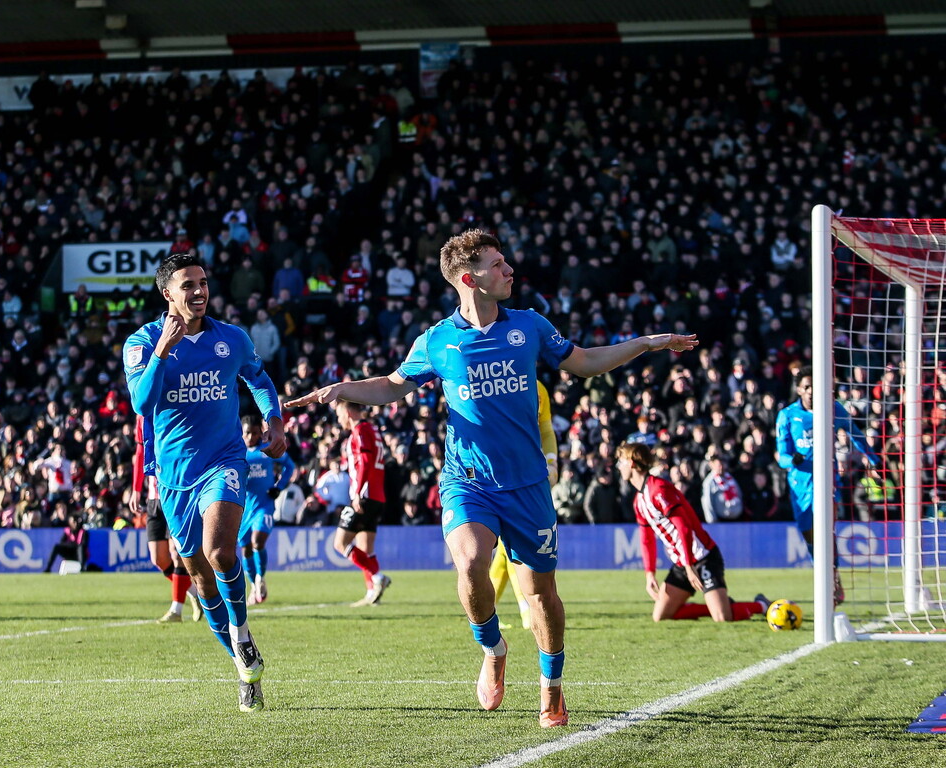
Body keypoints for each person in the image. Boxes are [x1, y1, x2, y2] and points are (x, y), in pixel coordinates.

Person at [286, 229, 697, 728]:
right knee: (472, 564)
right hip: (468, 481)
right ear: (468, 278)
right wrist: (340, 388)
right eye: (497, 264)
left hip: (527, 486)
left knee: (540, 593)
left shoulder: (530, 325)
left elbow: (584, 362)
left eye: (506, 262)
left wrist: (647, 344)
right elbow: (394, 386)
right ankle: (493, 647)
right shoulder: (438, 340)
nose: (509, 271)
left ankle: (552, 686)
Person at [123, 252, 286, 713]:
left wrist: (272, 420)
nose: (199, 291)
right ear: (166, 293)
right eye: (187, 285)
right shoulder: (141, 342)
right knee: (199, 579)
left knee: (220, 552)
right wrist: (163, 351)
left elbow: (258, 377)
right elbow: (142, 401)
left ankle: (240, 632)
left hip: (224, 460)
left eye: (202, 282)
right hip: (174, 477)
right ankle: (243, 663)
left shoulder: (230, 338)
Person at [615, 442, 768, 622]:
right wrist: (650, 574)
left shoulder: (658, 489)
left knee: (722, 617)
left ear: (632, 463)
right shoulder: (639, 500)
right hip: (683, 562)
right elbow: (646, 539)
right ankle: (719, 604)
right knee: (661, 615)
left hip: (703, 557)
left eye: (621, 461)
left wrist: (689, 566)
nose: (619, 467)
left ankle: (762, 605)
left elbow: (684, 527)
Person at [775, 365, 880, 604]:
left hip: (826, 483)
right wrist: (793, 459)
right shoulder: (788, 416)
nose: (811, 391)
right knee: (811, 537)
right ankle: (830, 576)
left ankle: (831, 583)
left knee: (825, 533)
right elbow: (780, 455)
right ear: (799, 390)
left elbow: (856, 435)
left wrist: (874, 460)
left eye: (815, 386)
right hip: (799, 486)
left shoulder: (833, 409)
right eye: (806, 387)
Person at [490, 379, 558, 631]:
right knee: (510, 548)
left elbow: (546, 429)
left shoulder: (540, 388)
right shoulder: (497, 383)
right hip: (499, 478)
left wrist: (552, 462)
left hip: (530, 476)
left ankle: (487, 610)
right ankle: (525, 609)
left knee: (506, 552)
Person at [131, 414, 202, 624]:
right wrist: (136, 489)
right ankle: (197, 594)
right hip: (154, 498)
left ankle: (176, 610)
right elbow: (140, 451)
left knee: (176, 553)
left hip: (177, 491)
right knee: (158, 558)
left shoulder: (175, 404)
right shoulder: (141, 415)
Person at [333, 400, 392, 607]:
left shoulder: (360, 430)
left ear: (348, 412)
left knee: (340, 543)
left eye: (339, 413)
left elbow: (366, 462)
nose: (338, 419)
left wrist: (357, 493)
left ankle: (377, 577)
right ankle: (371, 593)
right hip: (377, 495)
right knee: (365, 548)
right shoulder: (372, 430)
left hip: (364, 495)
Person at [240, 414, 295, 605]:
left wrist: (279, 487)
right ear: (242, 433)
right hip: (243, 509)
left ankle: (260, 578)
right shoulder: (237, 452)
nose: (251, 437)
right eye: (247, 433)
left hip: (264, 506)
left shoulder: (267, 448)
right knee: (245, 549)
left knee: (257, 541)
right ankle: (254, 587)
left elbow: (289, 465)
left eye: (255, 433)